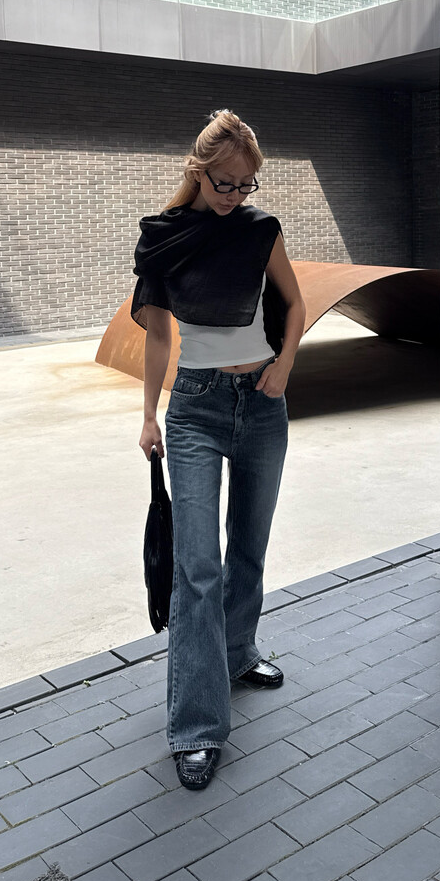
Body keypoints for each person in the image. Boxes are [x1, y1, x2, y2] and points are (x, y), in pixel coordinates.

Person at [131, 109, 306, 790]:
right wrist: (148, 414)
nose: (235, 195)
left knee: (249, 549)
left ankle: (237, 653)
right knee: (198, 566)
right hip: (196, 409)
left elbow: (294, 304)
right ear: (198, 172)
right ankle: (198, 726)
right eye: (224, 183)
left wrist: (284, 365)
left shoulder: (262, 229)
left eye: (245, 184)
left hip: (262, 401)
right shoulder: (165, 238)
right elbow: (157, 336)